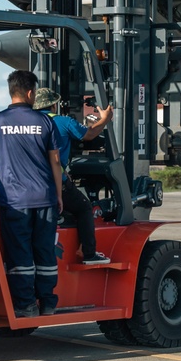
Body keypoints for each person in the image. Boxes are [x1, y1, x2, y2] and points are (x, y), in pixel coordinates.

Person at [0, 71, 64, 318]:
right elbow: (55, 162)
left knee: (20, 252)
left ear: (12, 91)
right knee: (44, 251)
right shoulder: (45, 122)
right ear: (31, 93)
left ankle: (25, 305)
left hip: (14, 200)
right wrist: (59, 194)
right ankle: (47, 302)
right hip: (44, 196)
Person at [33, 87, 114, 265]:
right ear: (54, 105)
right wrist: (105, 119)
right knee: (84, 207)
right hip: (54, 180)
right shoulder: (63, 122)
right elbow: (90, 134)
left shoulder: (28, 123)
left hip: (29, 180)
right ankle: (90, 253)